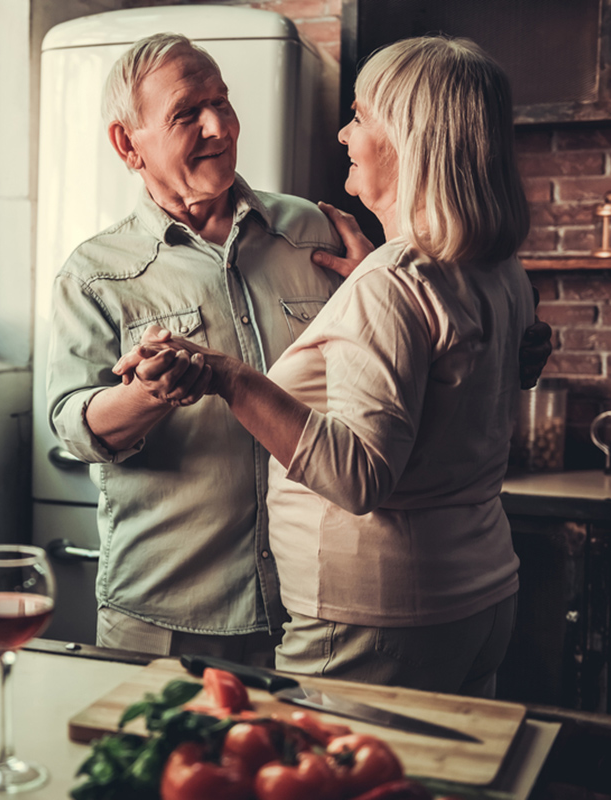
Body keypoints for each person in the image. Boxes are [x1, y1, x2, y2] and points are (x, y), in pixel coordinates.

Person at [117, 35, 535, 697]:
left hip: (380, 617)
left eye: (362, 117)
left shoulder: (395, 283)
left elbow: (360, 478)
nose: (345, 133)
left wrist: (230, 376)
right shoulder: (496, 268)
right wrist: (377, 275)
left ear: (406, 138)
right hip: (480, 597)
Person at [46, 33, 344, 666]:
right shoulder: (95, 273)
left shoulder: (313, 233)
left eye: (223, 102)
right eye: (187, 113)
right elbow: (73, 427)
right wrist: (148, 393)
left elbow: (376, 368)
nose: (219, 126)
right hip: (167, 615)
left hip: (316, 609)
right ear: (128, 144)